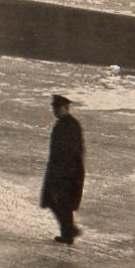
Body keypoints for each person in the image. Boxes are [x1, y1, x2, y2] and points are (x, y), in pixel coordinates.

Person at [40, 94, 85, 244]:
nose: (55, 110)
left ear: (66, 108)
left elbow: (72, 152)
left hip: (67, 172)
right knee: (59, 202)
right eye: (54, 107)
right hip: (62, 170)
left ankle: (69, 231)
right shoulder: (66, 124)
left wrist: (62, 172)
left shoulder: (69, 125)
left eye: (57, 108)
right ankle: (68, 232)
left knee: (59, 202)